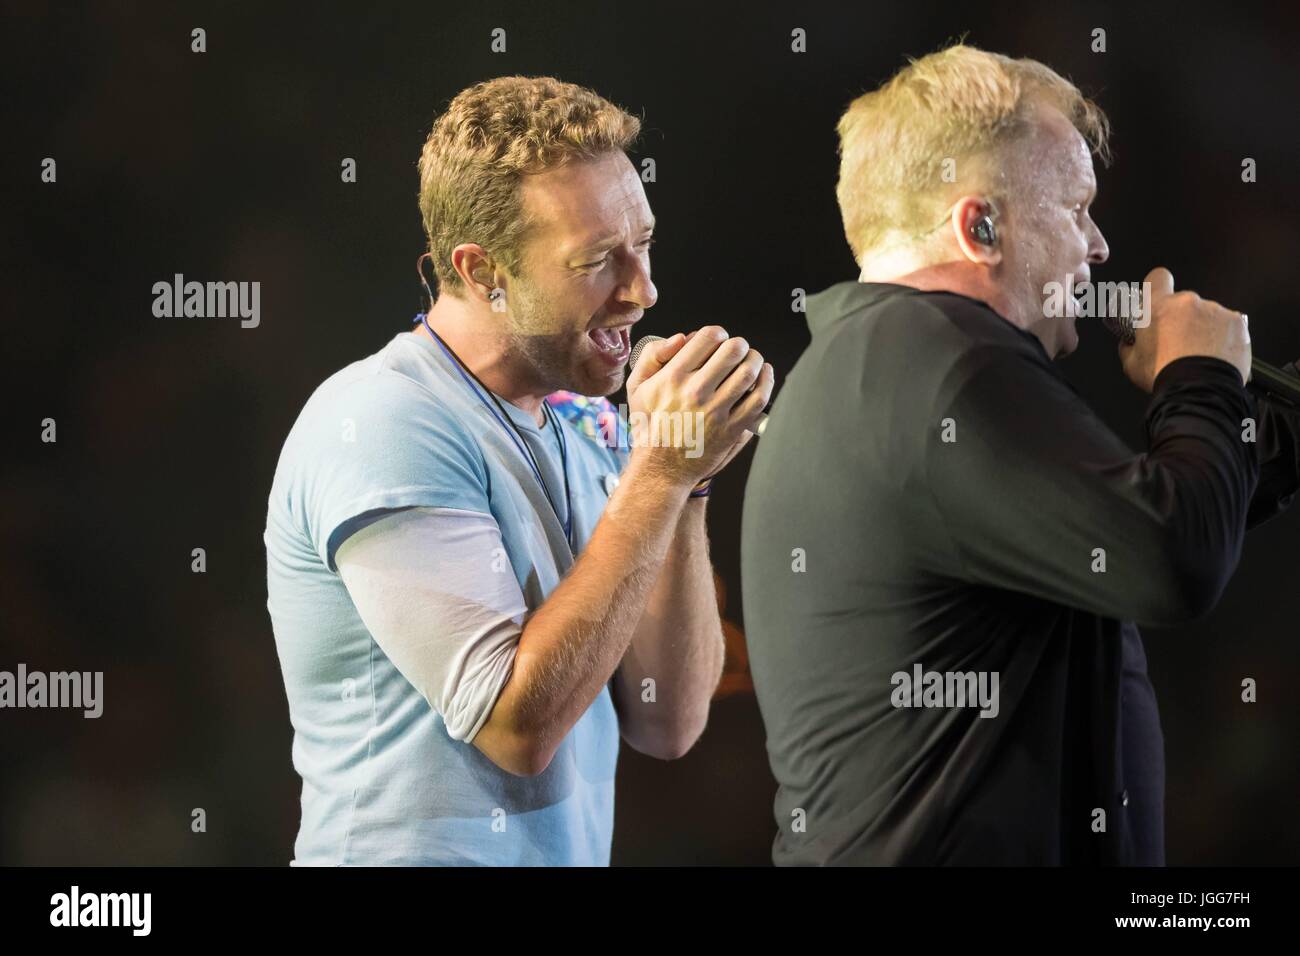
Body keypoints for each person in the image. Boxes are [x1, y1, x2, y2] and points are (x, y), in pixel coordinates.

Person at [740, 44, 1300, 865]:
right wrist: (1201, 373)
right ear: (981, 226)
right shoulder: (944, 364)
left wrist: (1251, 429)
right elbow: (1168, 553)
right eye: (1077, 208)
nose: (1100, 245)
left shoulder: (889, 361)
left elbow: (1132, 521)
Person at [265, 76, 772, 865]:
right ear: (481, 271)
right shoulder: (382, 422)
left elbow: (669, 721)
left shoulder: (584, 418)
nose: (643, 289)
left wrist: (689, 480)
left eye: (644, 243)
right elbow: (516, 728)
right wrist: (661, 473)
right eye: (599, 259)